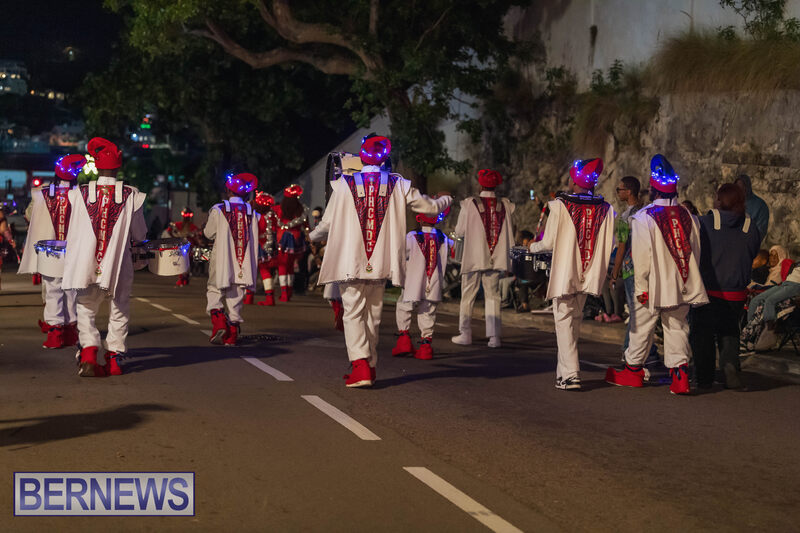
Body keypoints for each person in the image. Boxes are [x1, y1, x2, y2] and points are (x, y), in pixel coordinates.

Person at [309, 135, 452, 387]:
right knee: (373, 314)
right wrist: (446, 199)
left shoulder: (344, 183)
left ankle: (360, 365)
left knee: (353, 313)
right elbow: (431, 208)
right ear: (385, 159)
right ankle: (370, 365)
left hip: (351, 262)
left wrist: (311, 237)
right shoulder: (398, 183)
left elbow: (327, 224)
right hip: (382, 263)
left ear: (361, 159)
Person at [605, 154, 708, 395]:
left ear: (653, 188)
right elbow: (696, 252)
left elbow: (642, 259)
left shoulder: (644, 217)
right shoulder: (689, 216)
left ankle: (633, 370)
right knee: (677, 327)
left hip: (653, 286)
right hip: (682, 284)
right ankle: (680, 376)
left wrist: (641, 288)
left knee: (641, 327)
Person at [62, 138, 147, 377]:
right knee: (119, 309)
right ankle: (114, 360)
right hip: (119, 265)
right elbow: (140, 234)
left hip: (86, 264)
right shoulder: (132, 194)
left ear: (97, 167)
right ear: (119, 166)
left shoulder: (77, 193)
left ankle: (89, 354)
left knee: (86, 308)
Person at [530, 158, 616, 390]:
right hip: (589, 274)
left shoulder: (559, 206)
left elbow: (547, 243)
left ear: (574, 181)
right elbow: (611, 243)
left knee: (564, 321)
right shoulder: (607, 209)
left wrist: (531, 247)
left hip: (566, 273)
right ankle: (563, 372)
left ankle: (570, 375)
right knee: (574, 321)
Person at [691, 183, 760, 390]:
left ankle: (704, 377)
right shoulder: (751, 227)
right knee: (729, 333)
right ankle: (730, 368)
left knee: (702, 335)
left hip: (710, 290)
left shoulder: (705, 223)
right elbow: (752, 253)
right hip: (736, 293)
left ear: (720, 200)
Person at [18, 155, 84, 348]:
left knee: (52, 290)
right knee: (71, 290)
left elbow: (29, 215)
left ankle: (55, 334)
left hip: (49, 251)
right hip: (73, 250)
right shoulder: (82, 194)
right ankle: (71, 332)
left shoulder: (42, 193)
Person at [451, 169, 515, 349]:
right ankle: (494, 338)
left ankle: (465, 333)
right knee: (493, 296)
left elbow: (460, 231)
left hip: (473, 257)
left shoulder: (469, 204)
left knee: (467, 295)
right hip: (495, 257)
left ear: (480, 185)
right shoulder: (505, 205)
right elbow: (511, 230)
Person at [204, 172, 261, 346]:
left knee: (214, 289)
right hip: (244, 262)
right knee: (236, 293)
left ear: (229, 191)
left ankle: (219, 321)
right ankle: (232, 333)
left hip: (222, 258)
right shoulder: (252, 212)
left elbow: (208, 233)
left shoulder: (218, 209)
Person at [391, 206, 453, 360]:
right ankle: (426, 347)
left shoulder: (412, 236)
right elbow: (454, 252)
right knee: (428, 312)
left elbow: (400, 255)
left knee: (404, 306)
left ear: (420, 219)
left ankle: (404, 340)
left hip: (413, 281)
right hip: (434, 283)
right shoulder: (443, 238)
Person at [273, 184, 309, 302]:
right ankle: (289, 292)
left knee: (282, 266)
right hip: (296, 240)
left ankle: (284, 293)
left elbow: (273, 224)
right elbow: (306, 225)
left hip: (282, 239)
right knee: (291, 266)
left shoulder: (278, 209)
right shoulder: (301, 209)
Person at [248, 191, 279, 306]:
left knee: (251, 271)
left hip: (255, 245)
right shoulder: (271, 215)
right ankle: (270, 298)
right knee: (265, 271)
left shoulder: (254, 215)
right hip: (267, 245)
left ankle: (249, 297)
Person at [163, 207, 203, 287]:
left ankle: (185, 278)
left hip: (189, 248)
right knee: (181, 264)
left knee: (186, 264)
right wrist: (173, 238)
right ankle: (182, 278)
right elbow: (168, 231)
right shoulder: (178, 225)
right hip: (180, 247)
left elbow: (198, 237)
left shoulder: (193, 227)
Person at [735, 174, 769, 243]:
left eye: (743, 188)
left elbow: (760, 231)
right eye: (738, 188)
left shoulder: (760, 205)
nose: (740, 191)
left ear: (747, 187)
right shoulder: (733, 202)